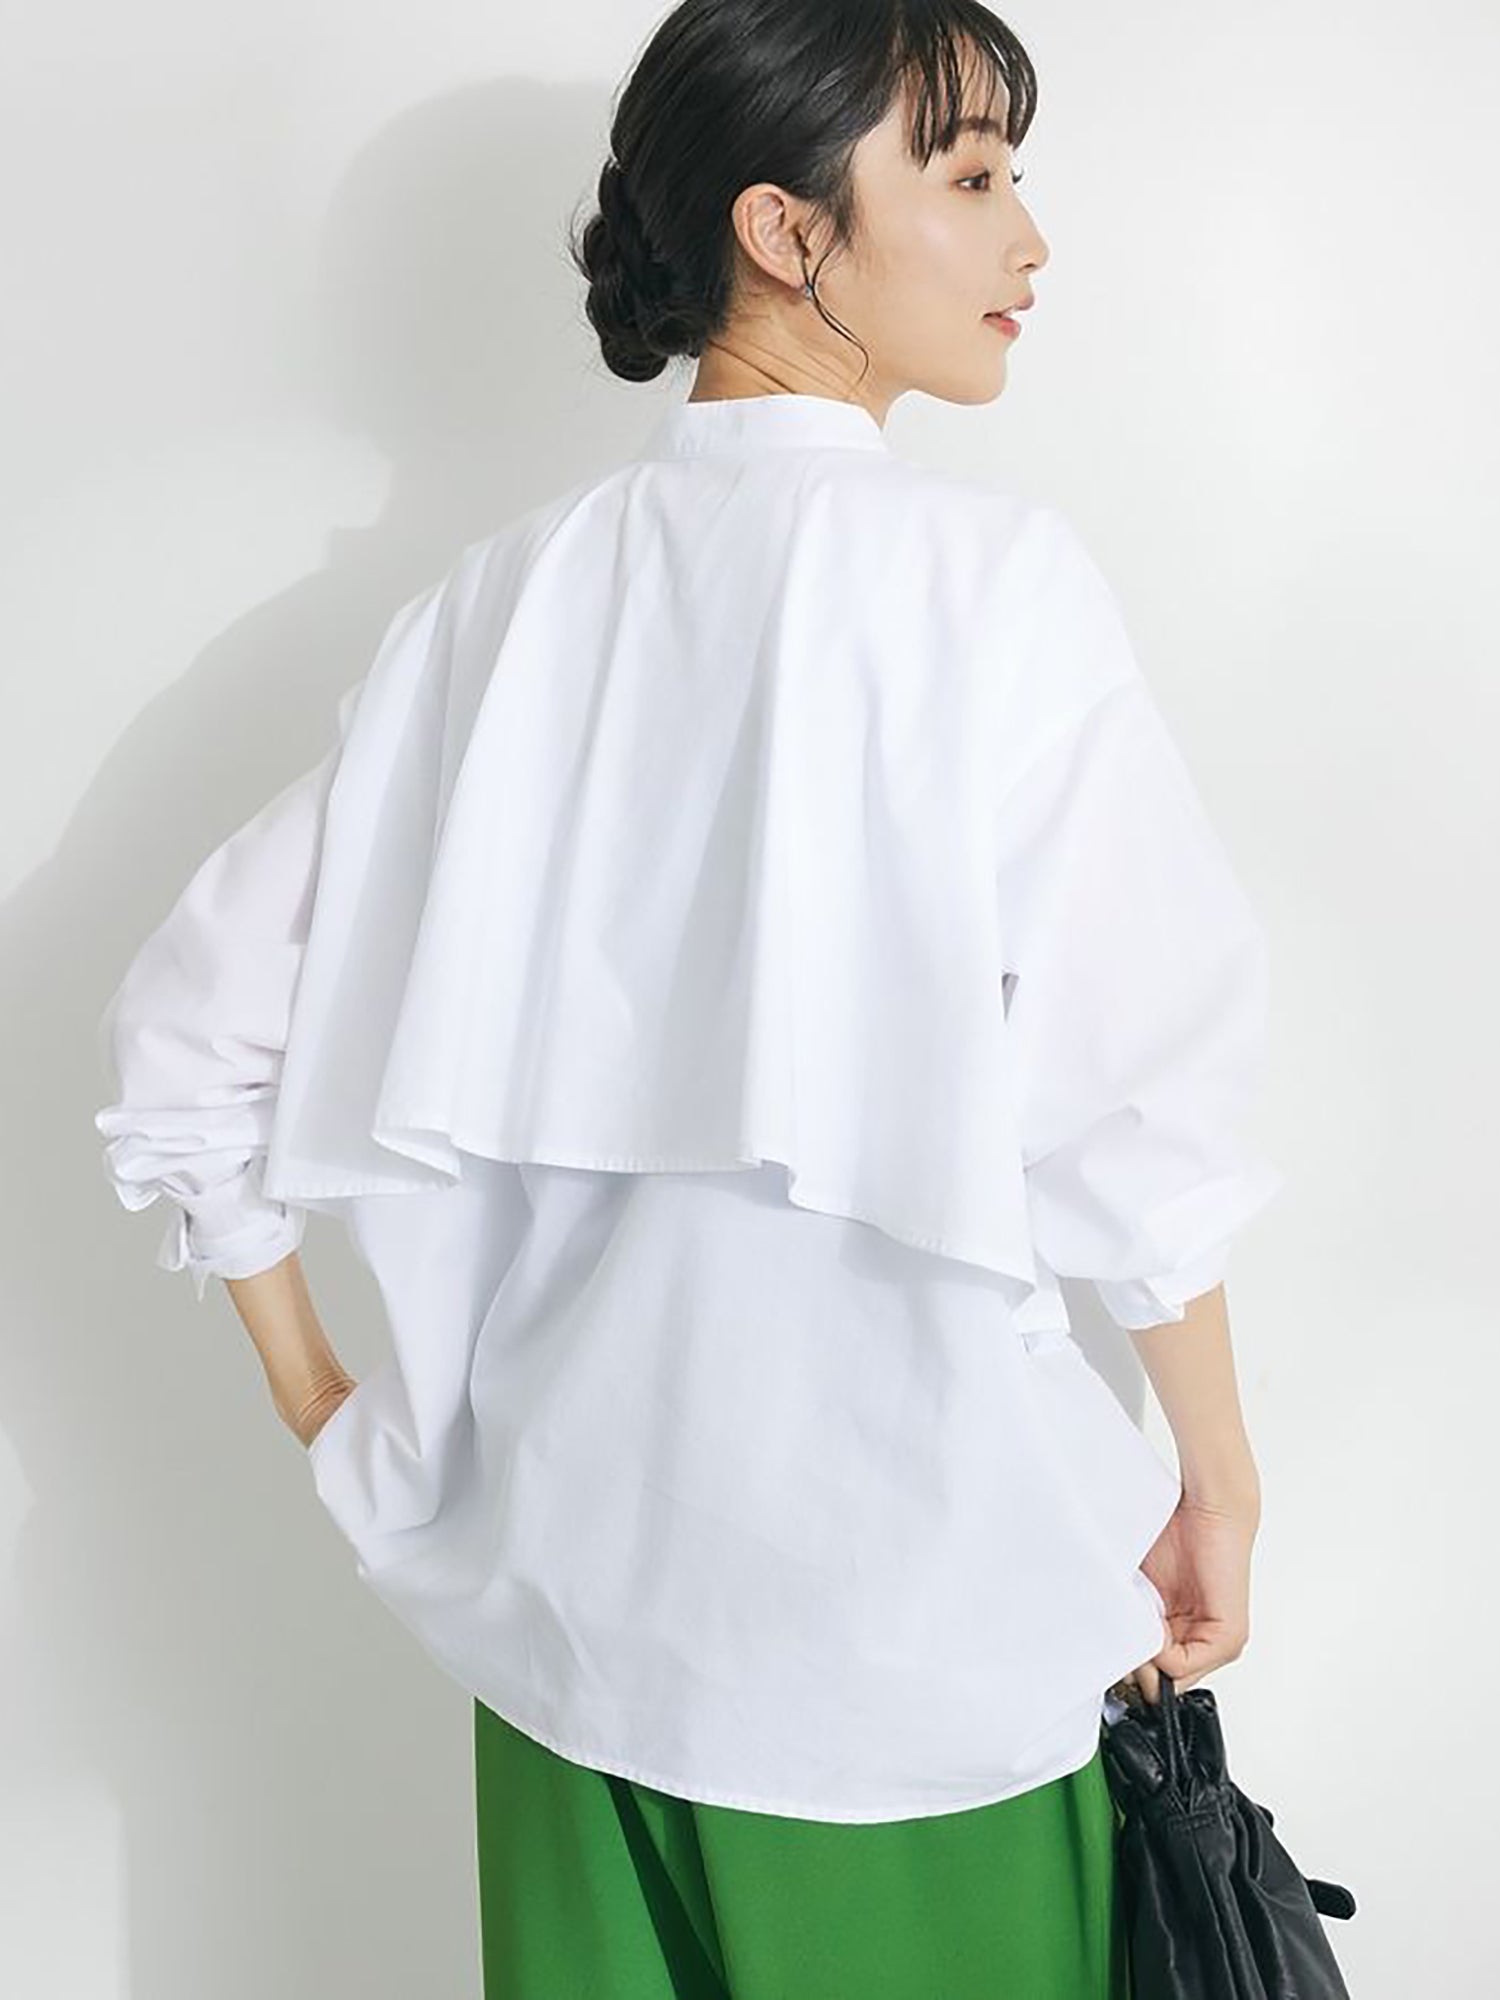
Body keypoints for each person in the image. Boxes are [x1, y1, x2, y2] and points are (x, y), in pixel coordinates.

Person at [92, 3, 1283, 1994]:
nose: (1029, 237)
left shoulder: (492, 612)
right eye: (970, 175)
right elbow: (1133, 1115)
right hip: (914, 1672)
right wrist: (1216, 1483)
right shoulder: (988, 588)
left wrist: (342, 1424)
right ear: (786, 229)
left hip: (571, 1657)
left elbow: (187, 1035)